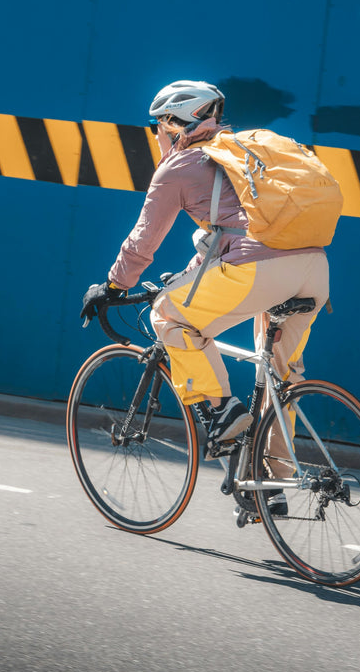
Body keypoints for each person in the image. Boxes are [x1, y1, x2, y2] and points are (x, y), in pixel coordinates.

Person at [80, 79, 330, 455]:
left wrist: (113, 286)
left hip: (261, 269)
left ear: (173, 123)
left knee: (168, 315)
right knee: (281, 376)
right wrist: (183, 277)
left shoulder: (179, 167)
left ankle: (220, 409)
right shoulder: (242, 151)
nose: (156, 136)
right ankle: (272, 484)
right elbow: (226, 235)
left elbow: (143, 240)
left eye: (157, 127)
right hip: (313, 267)